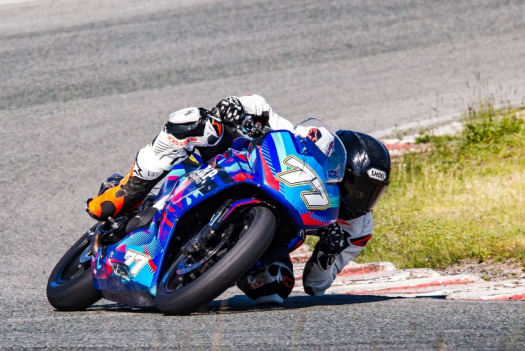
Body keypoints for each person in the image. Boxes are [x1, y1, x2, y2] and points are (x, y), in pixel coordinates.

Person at [86, 95, 391, 303]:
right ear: (337, 169)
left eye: (370, 194)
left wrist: (327, 253)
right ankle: (129, 190)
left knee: (276, 287)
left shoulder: (358, 227)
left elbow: (315, 285)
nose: (360, 200)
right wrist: (238, 108)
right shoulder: (312, 142)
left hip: (270, 231)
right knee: (197, 123)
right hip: (236, 166)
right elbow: (266, 111)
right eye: (356, 188)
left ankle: (202, 265)